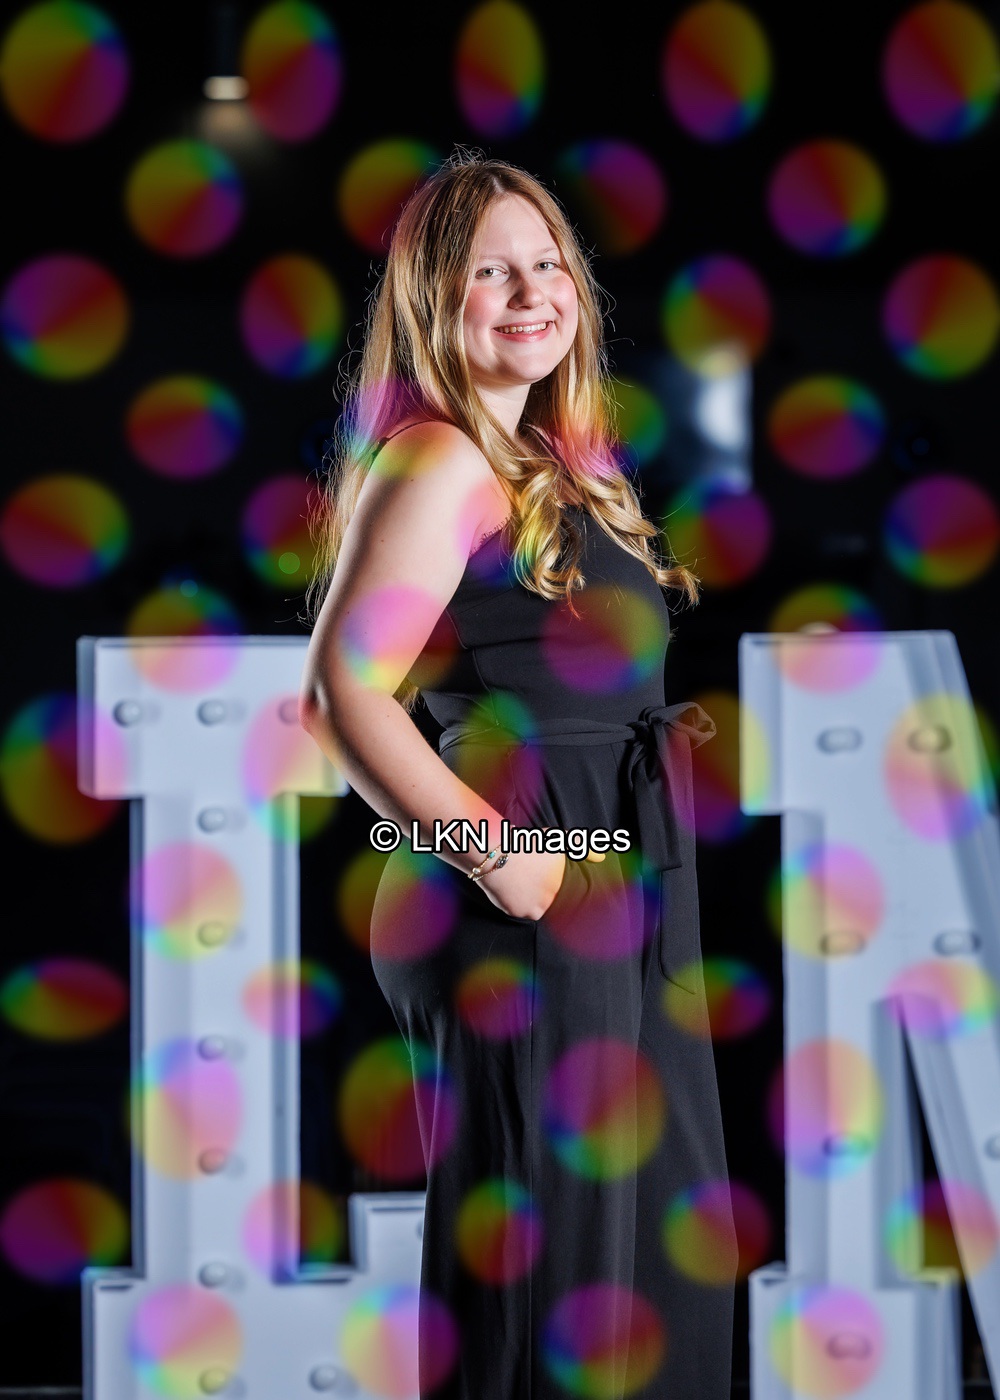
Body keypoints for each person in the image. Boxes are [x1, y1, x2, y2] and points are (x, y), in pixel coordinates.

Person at [300, 150, 737, 1400]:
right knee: (558, 1296)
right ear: (434, 297)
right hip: (527, 883)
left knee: (651, 1275)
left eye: (548, 263)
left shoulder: (549, 465)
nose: (534, 291)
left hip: (611, 872)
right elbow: (339, 694)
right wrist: (510, 866)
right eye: (493, 271)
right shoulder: (440, 459)